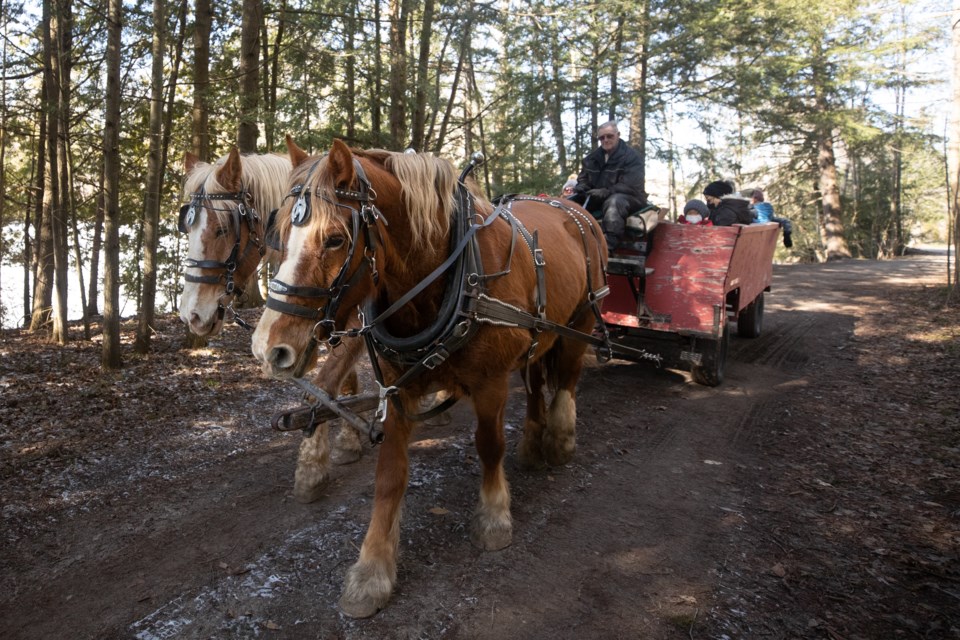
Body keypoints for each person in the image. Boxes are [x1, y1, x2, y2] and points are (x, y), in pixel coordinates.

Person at [565, 121, 647, 251]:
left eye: (609, 136)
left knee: (614, 202)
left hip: (630, 198)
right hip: (598, 197)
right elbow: (584, 178)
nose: (606, 140)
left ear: (618, 135)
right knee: (568, 202)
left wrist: (607, 191)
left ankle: (606, 247)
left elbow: (631, 185)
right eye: (602, 138)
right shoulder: (592, 159)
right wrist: (582, 186)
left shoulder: (632, 157)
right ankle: (567, 241)